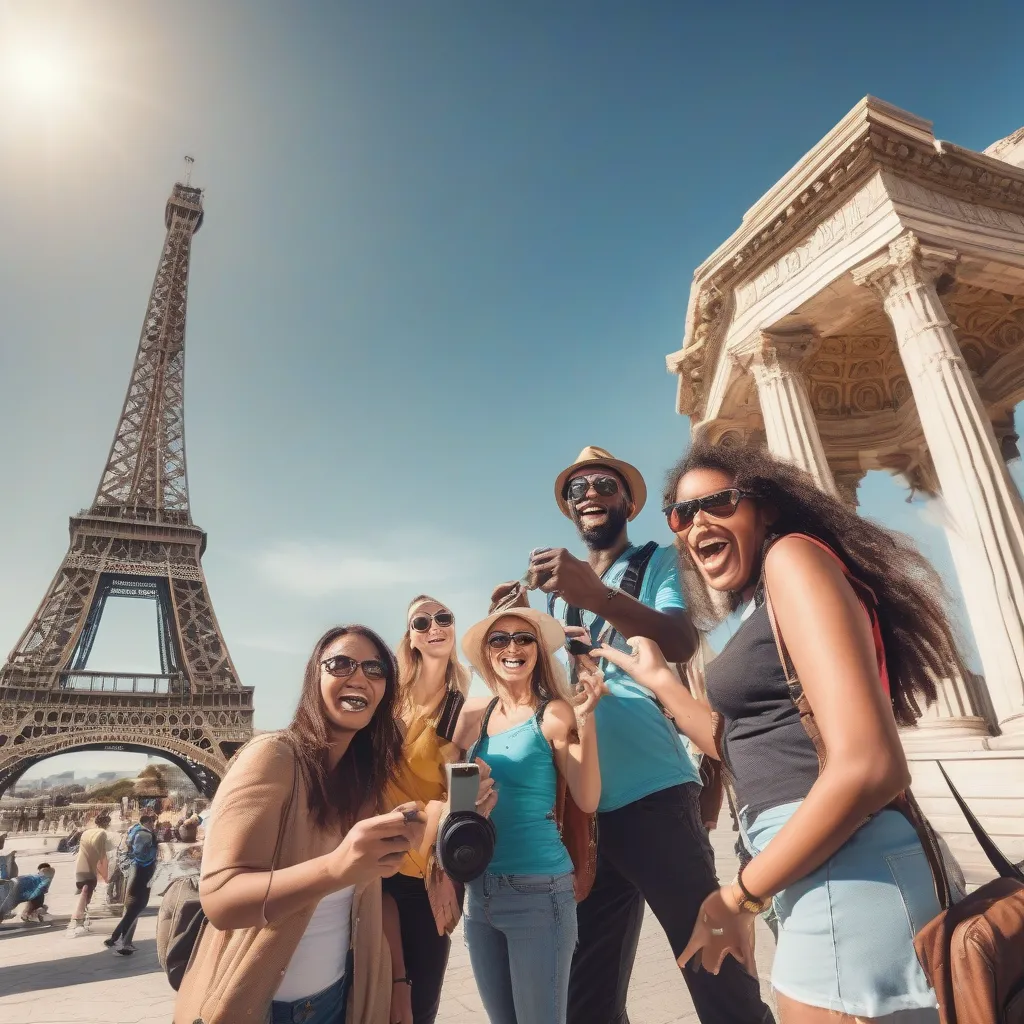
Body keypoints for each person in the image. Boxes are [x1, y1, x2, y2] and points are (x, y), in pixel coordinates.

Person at [606, 438, 959, 1023]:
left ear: (765, 506)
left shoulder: (792, 558)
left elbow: (871, 765)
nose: (697, 524)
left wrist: (738, 897)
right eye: (682, 513)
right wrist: (663, 686)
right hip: (811, 870)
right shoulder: (755, 604)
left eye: (718, 503)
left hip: (850, 871)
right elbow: (740, 746)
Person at [531, 445, 773, 1024]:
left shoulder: (658, 560)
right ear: (569, 511)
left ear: (629, 502)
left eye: (604, 485)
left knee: (711, 964)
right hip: (586, 804)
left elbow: (679, 640)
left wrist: (593, 595)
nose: (589, 494)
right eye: (577, 489)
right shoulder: (555, 592)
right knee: (585, 988)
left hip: (651, 794)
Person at [174, 625, 427, 1024]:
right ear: (315, 677)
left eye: (375, 669)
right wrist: (336, 867)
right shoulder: (272, 757)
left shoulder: (362, 783)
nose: (359, 676)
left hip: (339, 998)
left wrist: (398, 983)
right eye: (341, 663)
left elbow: (374, 897)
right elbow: (221, 900)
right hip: (262, 1005)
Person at [451, 604, 605, 1024]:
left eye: (524, 638)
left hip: (539, 892)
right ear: (487, 652)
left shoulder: (553, 713)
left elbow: (587, 798)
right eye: (500, 639)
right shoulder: (478, 717)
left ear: (538, 650)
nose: (512, 647)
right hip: (479, 893)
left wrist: (586, 721)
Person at [382, 596, 496, 1024]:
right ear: (410, 637)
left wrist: (444, 873)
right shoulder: (387, 702)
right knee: (372, 996)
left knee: (420, 1002)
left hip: (421, 873)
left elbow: (461, 796)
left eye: (443, 618)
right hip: (372, 865)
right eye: (421, 622)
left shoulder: (463, 709)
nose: (435, 627)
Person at [104, 809, 158, 954]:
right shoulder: (144, 834)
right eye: (153, 822)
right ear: (148, 821)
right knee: (136, 907)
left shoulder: (132, 831)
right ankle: (123, 942)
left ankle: (115, 938)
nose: (154, 825)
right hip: (141, 872)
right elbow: (141, 855)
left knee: (132, 908)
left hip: (134, 871)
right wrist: (150, 864)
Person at [67, 811, 112, 937]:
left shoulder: (87, 832)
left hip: (80, 866)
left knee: (83, 892)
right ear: (107, 824)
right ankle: (77, 922)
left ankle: (80, 921)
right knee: (86, 894)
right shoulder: (102, 834)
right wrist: (105, 875)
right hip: (90, 869)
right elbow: (102, 854)